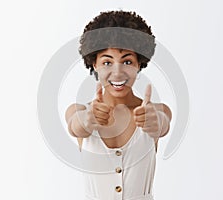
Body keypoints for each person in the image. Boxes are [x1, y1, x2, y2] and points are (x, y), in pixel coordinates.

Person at [65, 10, 172, 200]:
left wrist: (156, 123)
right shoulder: (80, 111)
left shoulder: (155, 112)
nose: (117, 72)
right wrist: (87, 120)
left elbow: (163, 123)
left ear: (140, 63)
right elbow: (76, 125)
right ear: (94, 64)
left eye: (127, 61)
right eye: (107, 62)